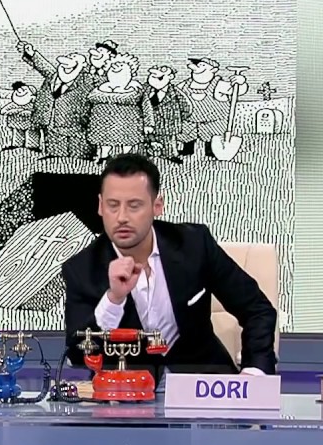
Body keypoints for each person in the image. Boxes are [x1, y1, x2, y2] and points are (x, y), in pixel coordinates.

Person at [60, 153, 278, 375]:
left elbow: (257, 309)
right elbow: (77, 354)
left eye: (134, 206)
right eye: (113, 205)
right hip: (126, 390)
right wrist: (113, 299)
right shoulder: (81, 270)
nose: (122, 217)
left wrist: (254, 372)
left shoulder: (195, 245)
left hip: (204, 384)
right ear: (100, 206)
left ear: (157, 206)